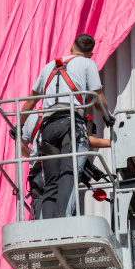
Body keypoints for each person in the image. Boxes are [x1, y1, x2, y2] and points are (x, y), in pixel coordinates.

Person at [20, 33, 112, 220]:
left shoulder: (49, 66)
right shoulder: (88, 64)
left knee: (51, 181)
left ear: (71, 47)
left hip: (48, 127)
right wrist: (107, 116)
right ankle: (64, 221)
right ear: (90, 54)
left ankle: (47, 224)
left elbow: (31, 101)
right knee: (68, 177)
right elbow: (98, 99)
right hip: (70, 123)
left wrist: (18, 125)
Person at [21, 111, 111, 220]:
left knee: (42, 226)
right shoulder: (67, 114)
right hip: (58, 173)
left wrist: (33, 156)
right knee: (64, 212)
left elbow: (21, 146)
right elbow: (83, 139)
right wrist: (109, 142)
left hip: (37, 176)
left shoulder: (32, 117)